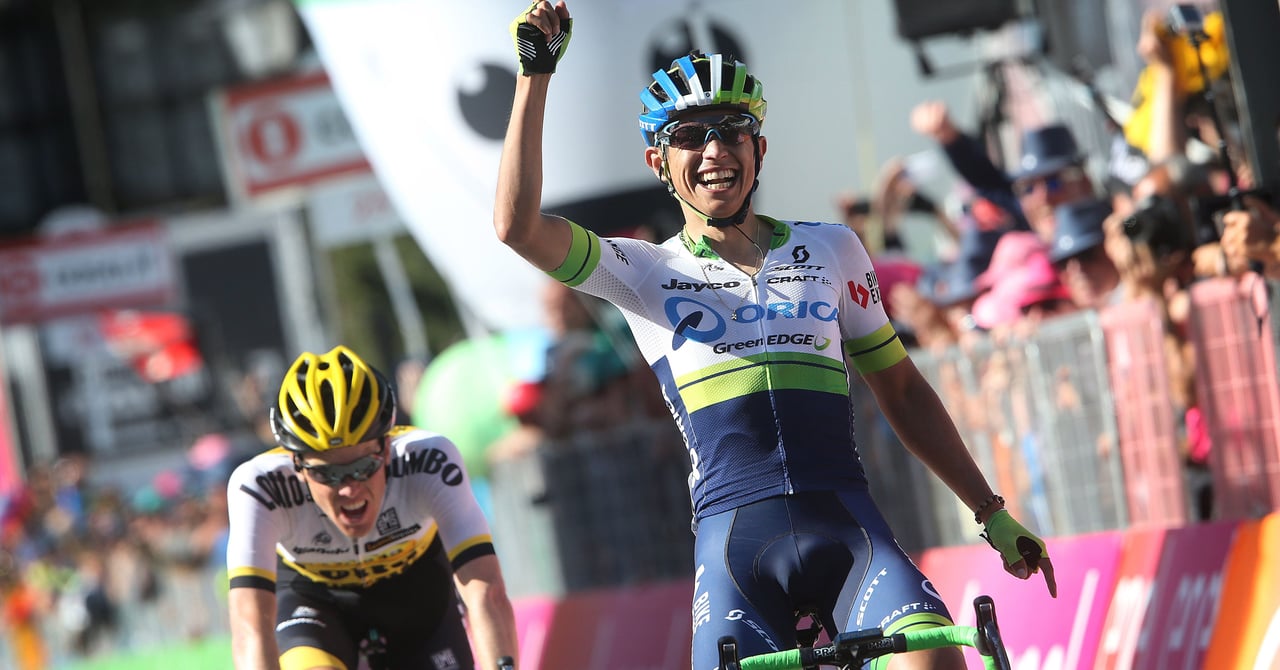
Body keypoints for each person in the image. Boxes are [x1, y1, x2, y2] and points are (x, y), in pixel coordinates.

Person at [494, 4, 1056, 669]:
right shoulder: (644, 272)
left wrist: (990, 512)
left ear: (759, 148)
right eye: (689, 135)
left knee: (935, 660)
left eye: (733, 130)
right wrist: (536, 76)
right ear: (657, 160)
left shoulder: (834, 249)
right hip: (737, 554)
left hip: (850, 532)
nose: (714, 151)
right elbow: (517, 228)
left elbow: (902, 391)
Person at [225, 345, 518, 670]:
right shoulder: (261, 486)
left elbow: (486, 592)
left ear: (388, 449)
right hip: (312, 601)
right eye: (327, 473)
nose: (349, 488)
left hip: (415, 594)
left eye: (364, 466)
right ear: (298, 466)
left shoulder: (428, 461)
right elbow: (250, 625)